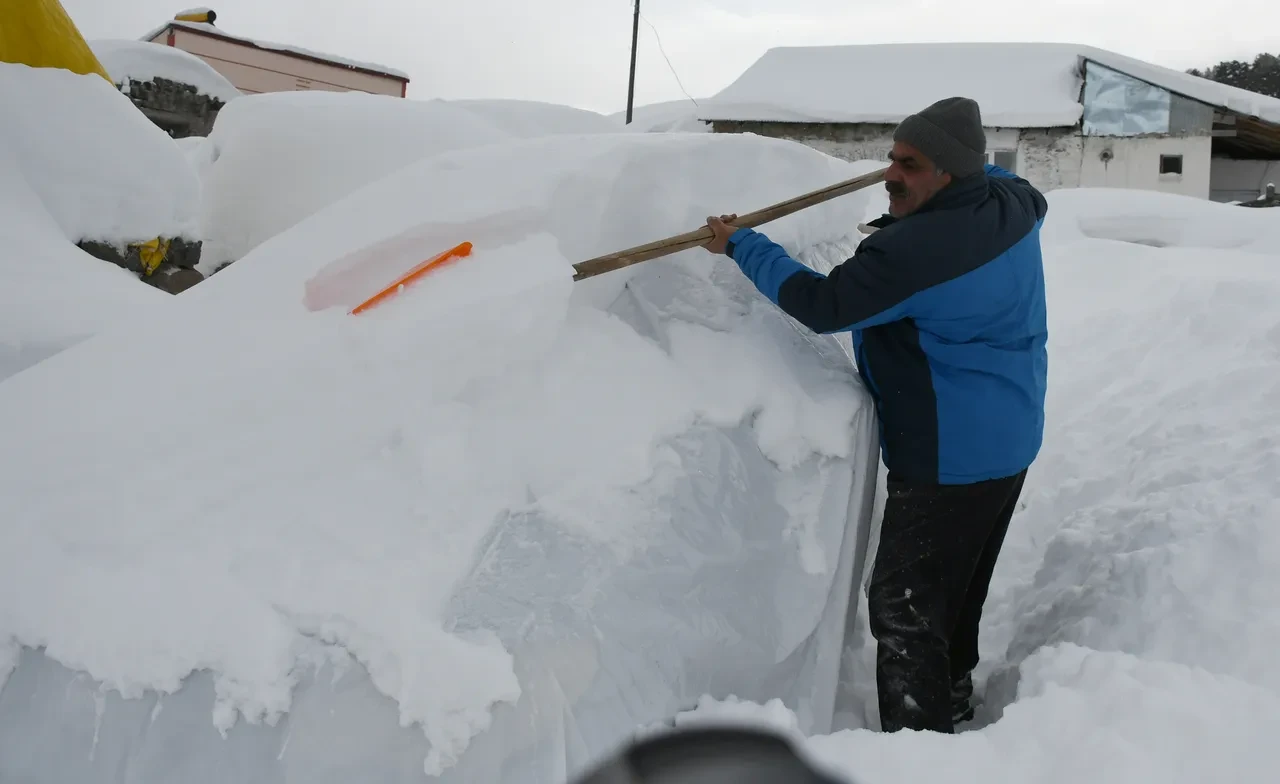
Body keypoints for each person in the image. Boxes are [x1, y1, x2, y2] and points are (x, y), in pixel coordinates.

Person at [703, 96, 1049, 734]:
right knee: (958, 587)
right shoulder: (1014, 202)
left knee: (904, 608)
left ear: (948, 173)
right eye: (889, 158)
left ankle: (920, 746)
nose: (890, 174)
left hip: (951, 452)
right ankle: (953, 693)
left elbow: (824, 303)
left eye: (909, 164)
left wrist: (741, 245)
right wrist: (926, 169)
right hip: (1011, 433)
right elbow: (1002, 177)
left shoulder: (917, 252)